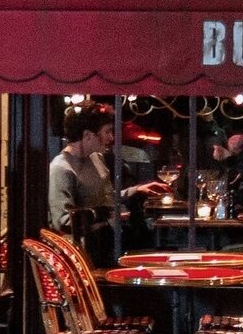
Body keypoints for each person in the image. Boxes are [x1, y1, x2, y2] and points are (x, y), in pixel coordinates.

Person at [49, 105, 160, 263]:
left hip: (109, 243)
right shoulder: (60, 169)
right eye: (107, 131)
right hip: (86, 255)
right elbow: (63, 222)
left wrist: (136, 190)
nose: (111, 138)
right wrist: (105, 216)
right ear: (87, 135)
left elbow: (104, 197)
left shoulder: (96, 158)